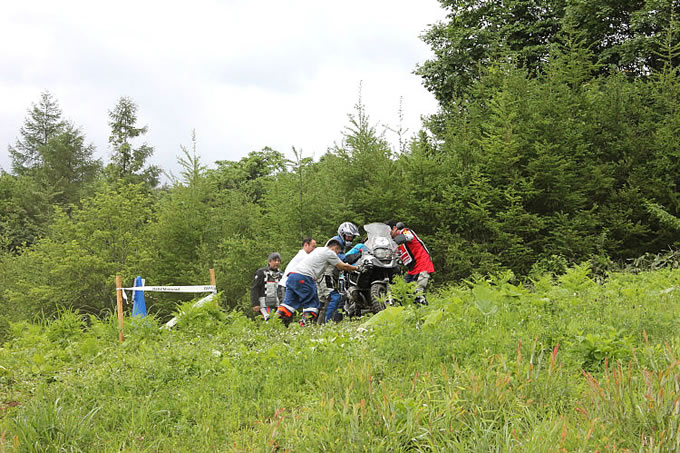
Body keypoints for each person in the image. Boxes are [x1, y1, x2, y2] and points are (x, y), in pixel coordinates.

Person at [275, 238, 359, 326]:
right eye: (338, 251)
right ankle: (305, 327)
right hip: (305, 277)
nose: (338, 253)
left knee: (288, 305)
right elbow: (343, 266)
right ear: (335, 248)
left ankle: (273, 323)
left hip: (292, 277)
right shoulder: (330, 253)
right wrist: (357, 268)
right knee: (312, 306)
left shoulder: (318, 250)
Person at [319, 222, 360, 323]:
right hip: (327, 274)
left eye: (352, 237)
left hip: (330, 274)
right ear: (342, 234)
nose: (350, 239)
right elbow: (339, 258)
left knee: (329, 300)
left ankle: (324, 322)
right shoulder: (336, 241)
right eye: (348, 236)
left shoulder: (340, 243)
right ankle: (328, 323)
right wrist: (356, 255)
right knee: (334, 297)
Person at [386, 220, 435, 305]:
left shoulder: (405, 231)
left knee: (418, 293)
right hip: (412, 269)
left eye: (388, 232)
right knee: (402, 291)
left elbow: (409, 237)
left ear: (394, 228)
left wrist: (394, 242)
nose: (388, 235)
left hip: (422, 264)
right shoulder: (396, 244)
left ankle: (424, 312)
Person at [250, 252, 284, 320]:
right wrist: (255, 303)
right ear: (269, 261)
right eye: (275, 260)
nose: (277, 262)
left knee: (279, 322)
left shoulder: (282, 274)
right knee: (269, 320)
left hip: (278, 304)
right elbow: (255, 288)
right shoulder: (261, 273)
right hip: (264, 304)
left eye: (278, 261)